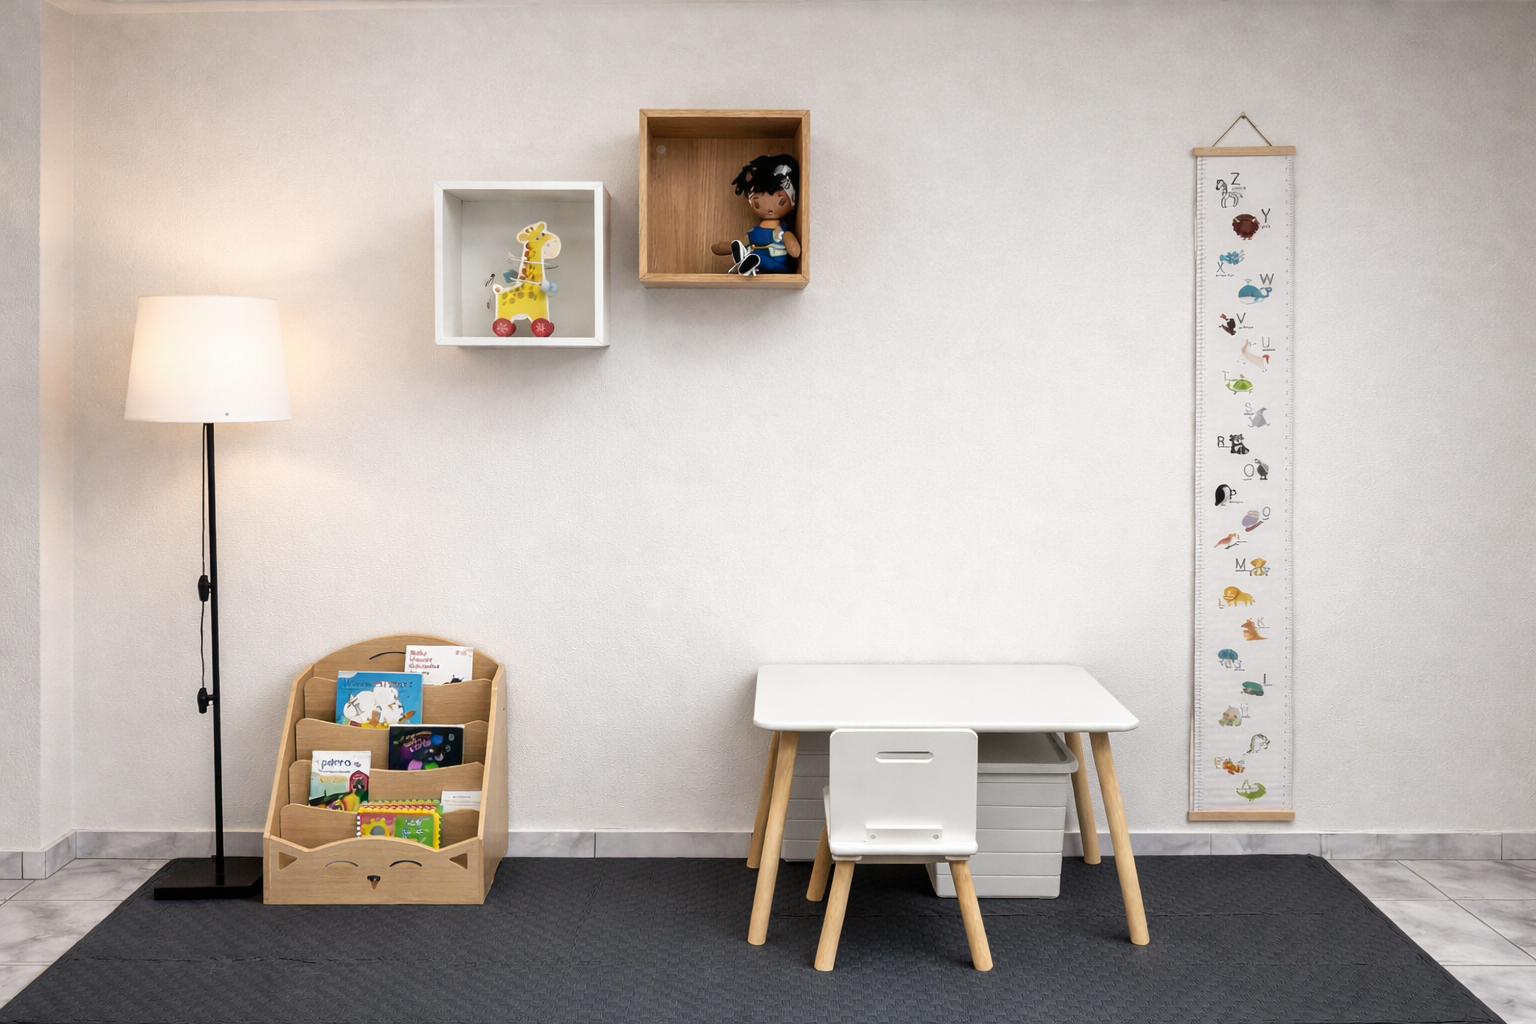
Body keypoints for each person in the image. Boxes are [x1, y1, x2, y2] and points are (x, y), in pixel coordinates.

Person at [711, 154, 801, 275]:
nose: (769, 209)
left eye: (781, 201)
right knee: (753, 257)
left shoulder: (781, 231)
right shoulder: (754, 230)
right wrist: (729, 247)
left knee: (758, 259)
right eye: (757, 204)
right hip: (756, 261)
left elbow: (794, 250)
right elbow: (743, 242)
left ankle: (746, 263)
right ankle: (745, 262)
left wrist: (794, 248)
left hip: (778, 264)